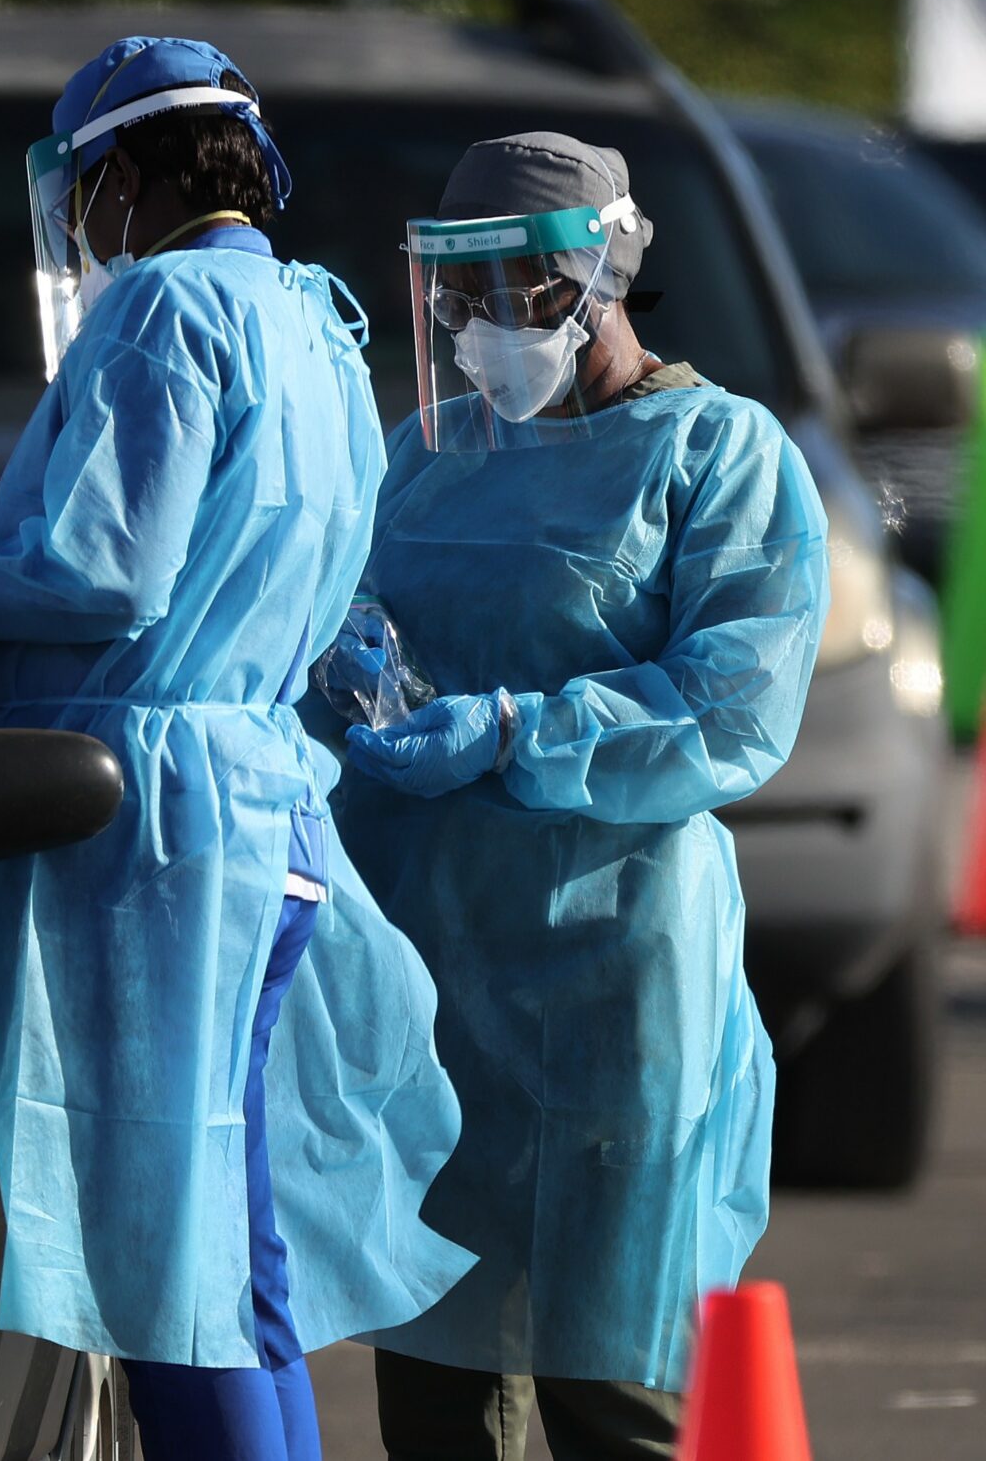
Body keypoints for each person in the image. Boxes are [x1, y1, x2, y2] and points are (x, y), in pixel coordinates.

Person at [0, 36, 470, 1461]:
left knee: (166, 1276)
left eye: (79, 191)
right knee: (232, 1268)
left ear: (118, 175)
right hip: (261, 820)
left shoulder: (166, 311)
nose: (73, 225)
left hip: (157, 844)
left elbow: (100, 576)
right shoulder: (315, 320)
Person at [327, 133, 830, 1459]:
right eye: (460, 293)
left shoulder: (719, 455)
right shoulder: (427, 456)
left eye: (513, 288)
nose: (483, 324)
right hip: (434, 977)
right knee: (437, 1391)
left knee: (615, 1387)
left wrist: (513, 728)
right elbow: (346, 634)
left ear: (594, 275)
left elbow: (733, 706)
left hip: (617, 981)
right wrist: (346, 663)